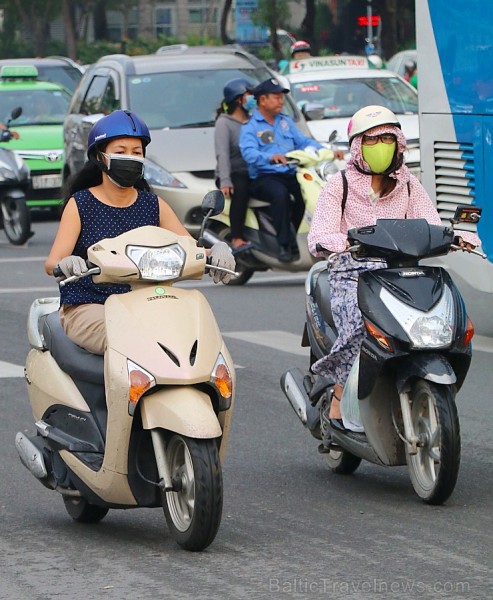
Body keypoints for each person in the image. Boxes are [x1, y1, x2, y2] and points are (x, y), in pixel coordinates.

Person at [307, 105, 480, 445]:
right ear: (358, 146)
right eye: (374, 139)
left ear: (400, 143)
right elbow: (319, 234)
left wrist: (456, 236)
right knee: (360, 328)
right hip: (352, 271)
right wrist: (341, 241)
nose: (383, 145)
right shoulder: (338, 185)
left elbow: (429, 222)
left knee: (444, 318)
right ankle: (341, 397)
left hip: (400, 269)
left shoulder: (409, 186)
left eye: (389, 138)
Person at [45, 109, 235, 356]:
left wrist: (217, 251)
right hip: (90, 305)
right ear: (100, 157)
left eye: (137, 152)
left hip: (149, 303)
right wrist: (67, 263)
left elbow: (190, 249)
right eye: (121, 152)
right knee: (129, 338)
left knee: (196, 338)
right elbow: (52, 262)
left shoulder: (153, 204)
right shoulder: (81, 204)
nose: (130, 158)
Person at [240, 78, 329, 263]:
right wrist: (269, 157)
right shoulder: (251, 126)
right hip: (265, 176)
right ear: (262, 100)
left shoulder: (285, 122)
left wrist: (324, 150)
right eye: (276, 97)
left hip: (289, 173)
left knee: (307, 193)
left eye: (281, 97)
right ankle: (283, 245)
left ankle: (293, 237)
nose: (281, 101)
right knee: (280, 195)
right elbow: (249, 153)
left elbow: (304, 142)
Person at [214, 78, 256, 251]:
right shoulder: (224, 123)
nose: (254, 98)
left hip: (251, 171)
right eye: (249, 95)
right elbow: (222, 153)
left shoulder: (253, 121)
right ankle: (237, 237)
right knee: (241, 188)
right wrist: (225, 180)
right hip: (231, 174)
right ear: (239, 99)